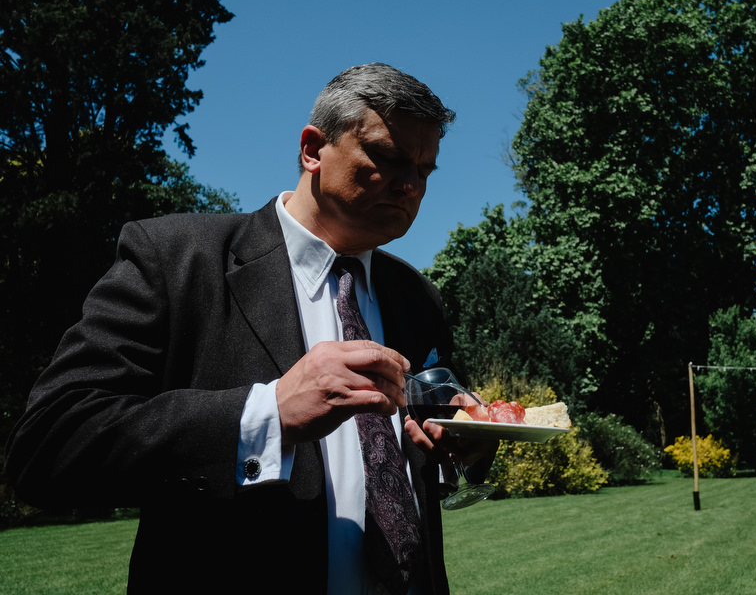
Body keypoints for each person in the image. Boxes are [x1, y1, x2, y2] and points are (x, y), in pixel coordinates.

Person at [6, 63, 493, 595]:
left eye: (424, 169)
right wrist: (268, 414)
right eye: (387, 157)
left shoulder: (417, 297)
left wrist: (460, 449)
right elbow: (48, 446)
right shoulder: (175, 259)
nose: (410, 186)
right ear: (313, 149)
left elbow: (414, 461)